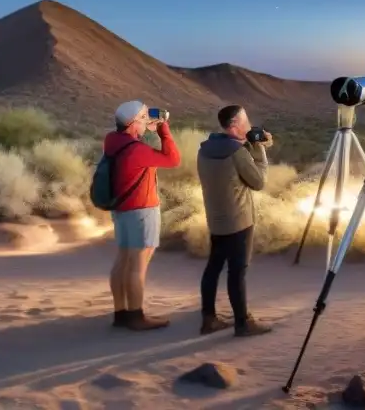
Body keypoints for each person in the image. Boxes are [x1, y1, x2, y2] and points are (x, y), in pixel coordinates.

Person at [196, 105, 273, 337]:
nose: (249, 126)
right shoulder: (237, 153)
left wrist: (248, 146)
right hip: (239, 221)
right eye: (245, 121)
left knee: (213, 267)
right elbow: (258, 182)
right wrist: (259, 150)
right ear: (234, 125)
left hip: (216, 219)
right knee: (237, 271)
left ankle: (208, 318)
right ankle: (243, 323)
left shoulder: (205, 149)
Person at [104, 100, 181, 331]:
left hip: (121, 210)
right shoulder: (137, 150)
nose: (147, 118)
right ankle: (136, 316)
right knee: (138, 266)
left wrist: (147, 127)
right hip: (141, 211)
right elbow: (173, 159)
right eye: (144, 116)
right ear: (132, 122)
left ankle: (121, 313)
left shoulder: (112, 141)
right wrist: (162, 129)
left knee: (122, 261)